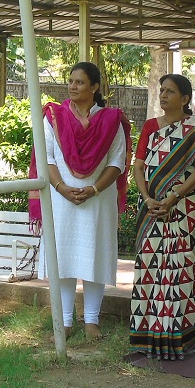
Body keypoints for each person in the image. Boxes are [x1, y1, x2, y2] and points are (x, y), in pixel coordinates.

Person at [129, 73, 195, 359]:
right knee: (150, 266)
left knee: (183, 269)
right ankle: (148, 337)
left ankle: (180, 338)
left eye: (170, 91)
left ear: (185, 99)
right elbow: (138, 167)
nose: (163, 95)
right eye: (161, 90)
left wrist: (174, 196)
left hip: (186, 209)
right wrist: (149, 199)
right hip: (152, 209)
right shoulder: (150, 127)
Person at [31, 62, 130, 339]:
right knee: (63, 258)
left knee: (94, 256)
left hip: (98, 198)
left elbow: (117, 161)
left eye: (80, 82)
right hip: (61, 198)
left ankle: (91, 322)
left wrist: (95, 189)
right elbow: (46, 157)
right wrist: (62, 188)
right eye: (71, 81)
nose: (73, 87)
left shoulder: (111, 120)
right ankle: (63, 321)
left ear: (95, 87)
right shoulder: (54, 116)